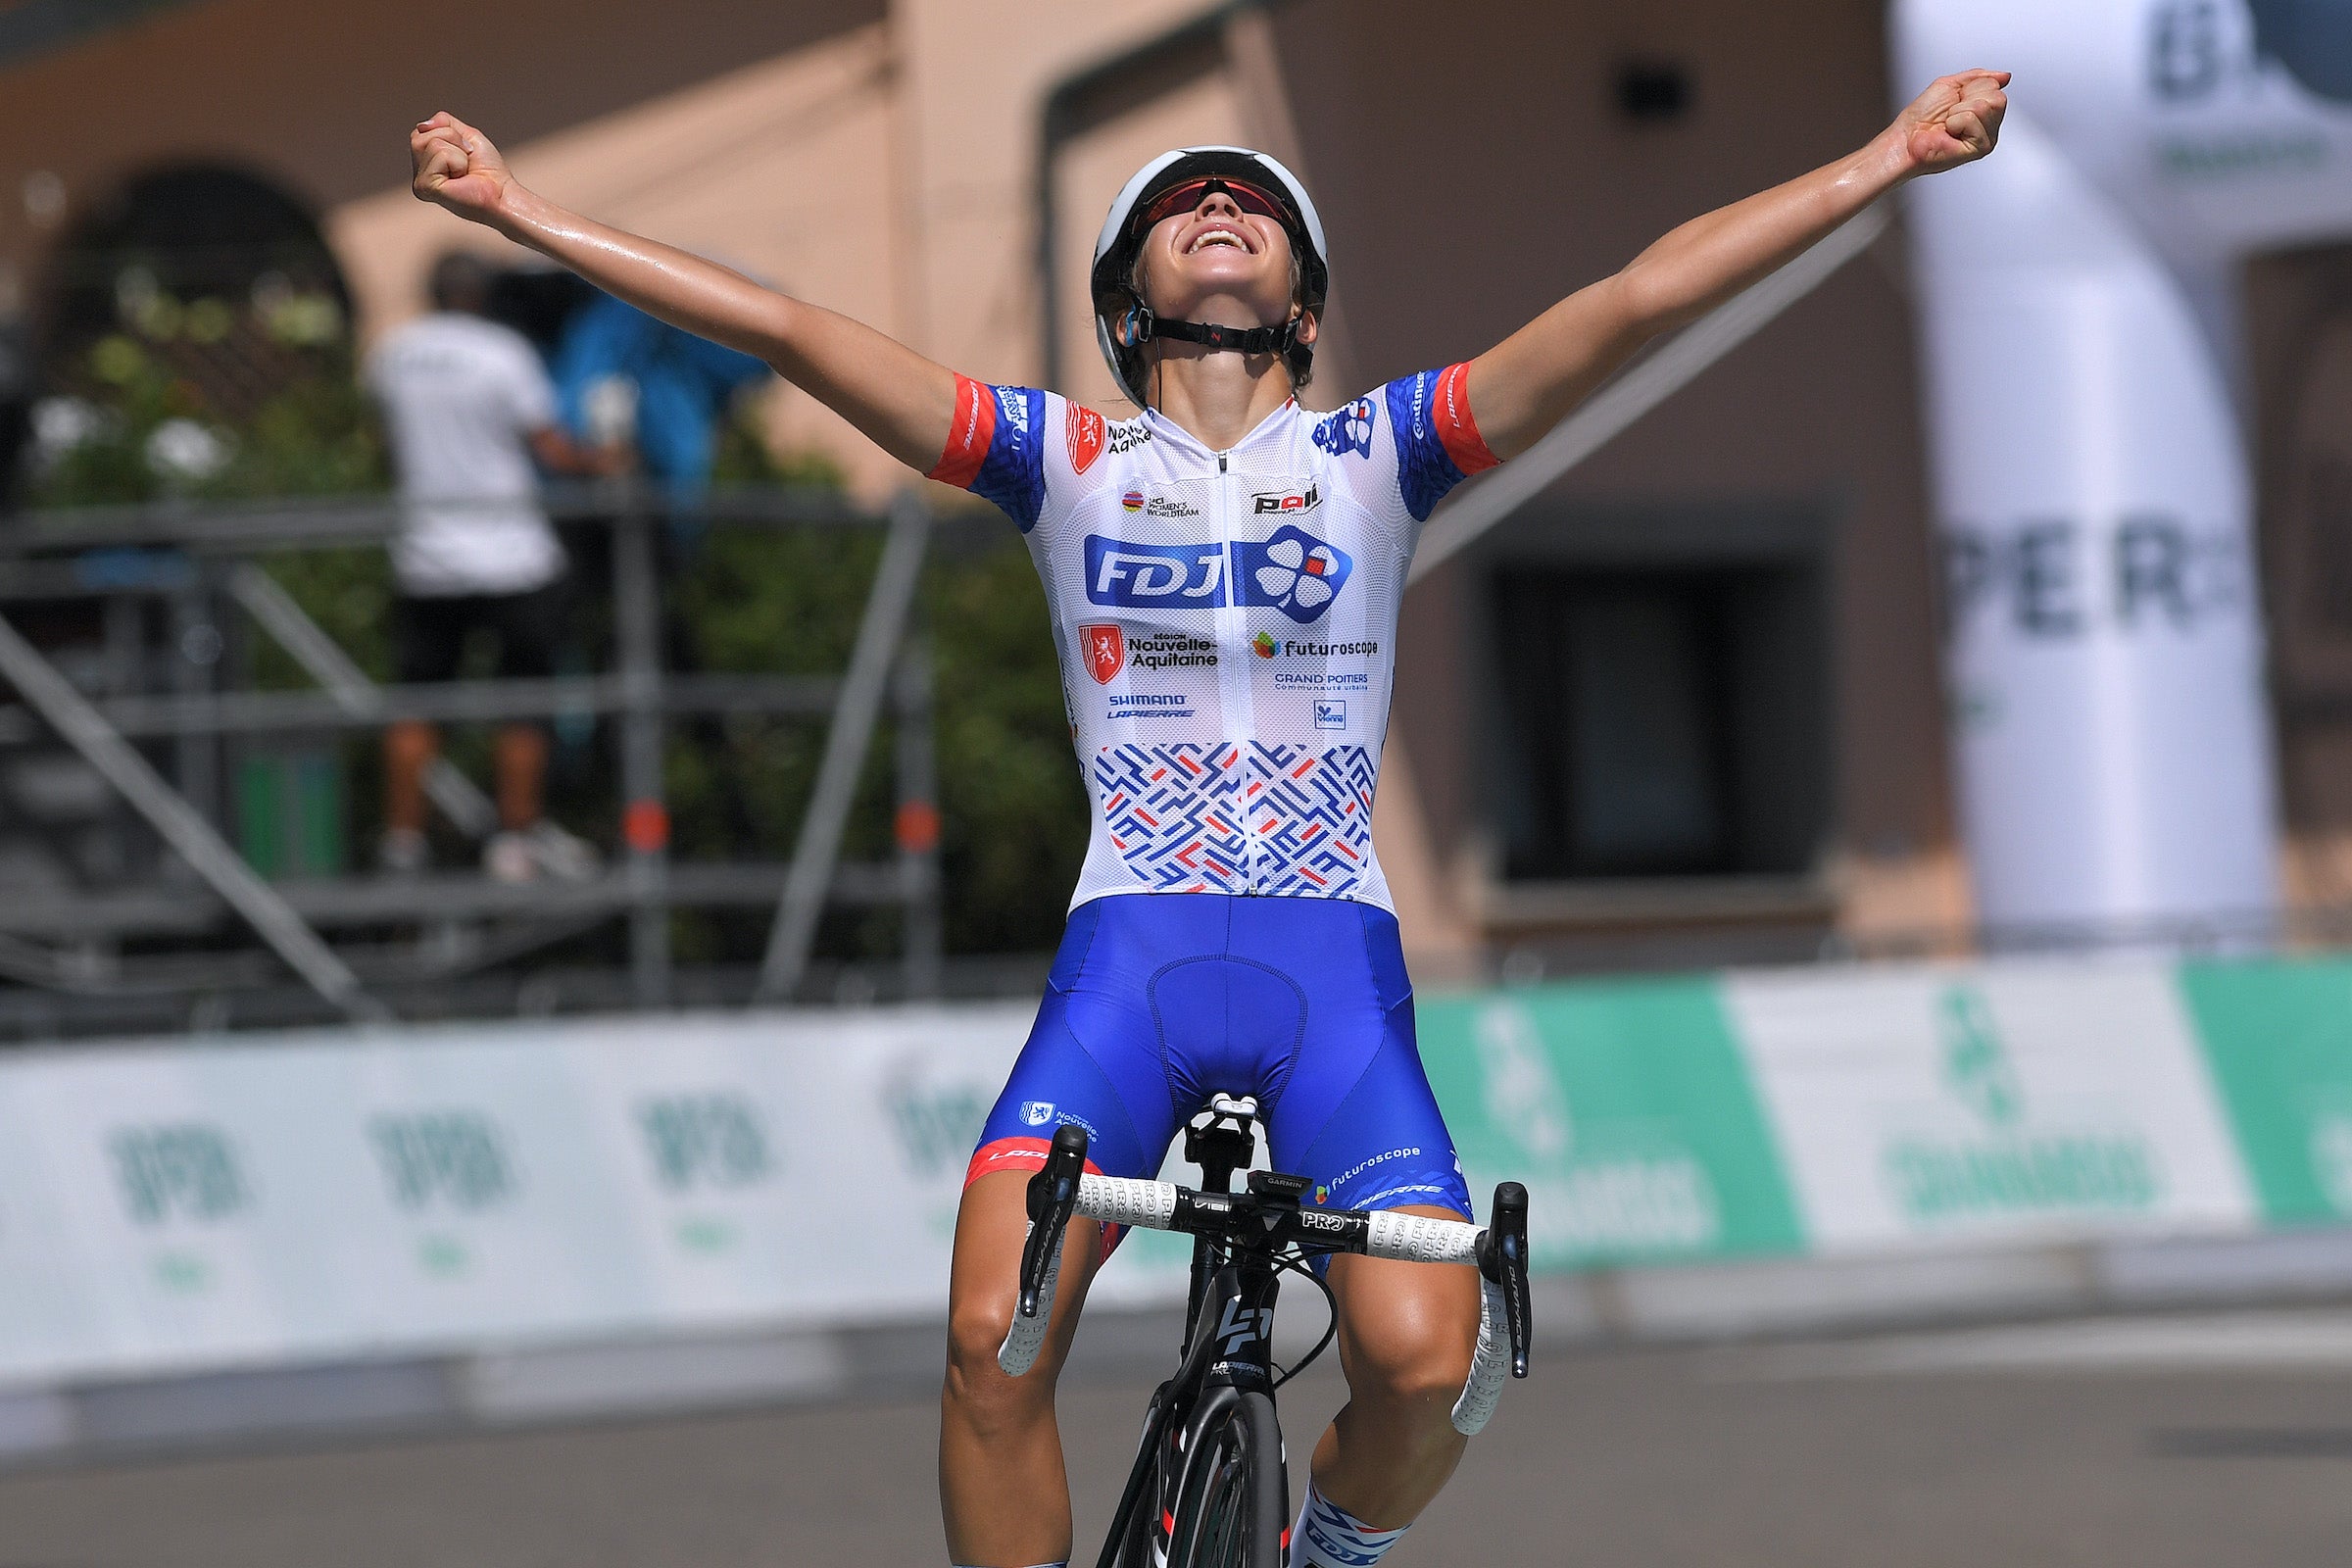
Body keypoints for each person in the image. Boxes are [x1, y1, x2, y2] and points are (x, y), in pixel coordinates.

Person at [408, 64, 2006, 1567]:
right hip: (1131, 969)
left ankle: (1330, 1546)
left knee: (1426, 1366)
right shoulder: (1068, 462)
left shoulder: (1382, 454)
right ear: (1129, 292)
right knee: (987, 1340)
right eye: (1184, 199)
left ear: (1305, 297)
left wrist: (1885, 159)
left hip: (1333, 982)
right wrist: (517, 212)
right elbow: (787, 329)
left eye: (1256, 197)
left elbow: (1638, 299)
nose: (1222, 201)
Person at [366, 250, 616, 883]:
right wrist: (604, 459)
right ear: (480, 296)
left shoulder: (392, 354)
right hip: (511, 555)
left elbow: (386, 445)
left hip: (426, 554)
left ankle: (403, 841)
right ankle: (515, 840)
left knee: (417, 704)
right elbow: (551, 450)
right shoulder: (503, 353)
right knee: (525, 701)